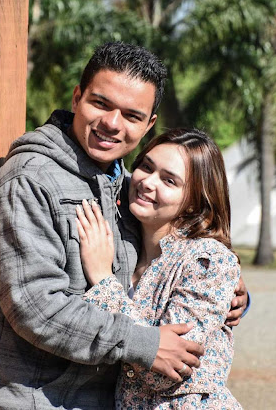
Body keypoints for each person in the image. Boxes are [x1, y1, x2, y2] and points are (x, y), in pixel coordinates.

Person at [0, 42, 248, 409]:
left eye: (132, 115)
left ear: (149, 125)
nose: (112, 123)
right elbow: (36, 308)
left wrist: (228, 291)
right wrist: (142, 343)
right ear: (77, 98)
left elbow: (180, 254)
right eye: (101, 104)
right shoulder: (30, 180)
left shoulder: (127, 189)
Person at [75, 128, 242, 409]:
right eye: (146, 167)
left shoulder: (208, 260)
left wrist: (102, 279)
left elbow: (166, 370)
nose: (147, 182)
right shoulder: (127, 244)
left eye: (169, 180)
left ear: (194, 202)